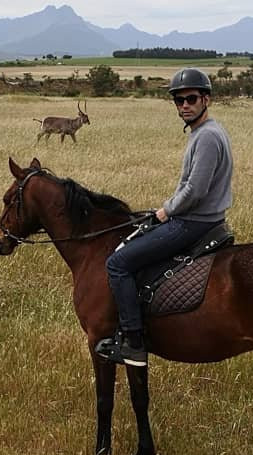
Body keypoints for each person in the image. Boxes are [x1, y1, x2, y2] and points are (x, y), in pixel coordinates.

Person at [94, 67, 234, 367]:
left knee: (117, 264)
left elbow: (195, 191)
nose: (184, 105)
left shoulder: (207, 137)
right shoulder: (206, 131)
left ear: (206, 99)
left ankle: (133, 342)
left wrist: (165, 210)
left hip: (194, 222)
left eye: (191, 98)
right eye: (178, 100)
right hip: (198, 218)